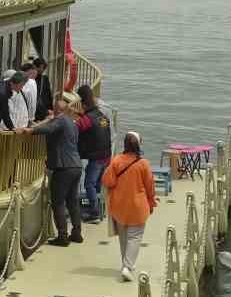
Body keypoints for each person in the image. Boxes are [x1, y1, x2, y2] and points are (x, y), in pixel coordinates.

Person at [23, 94, 83, 246]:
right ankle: (76, 233)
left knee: (58, 201)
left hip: (63, 167)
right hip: (76, 165)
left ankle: (62, 236)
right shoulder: (72, 122)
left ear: (57, 110)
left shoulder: (60, 120)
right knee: (72, 201)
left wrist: (30, 131)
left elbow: (49, 129)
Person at [102, 132, 158, 281]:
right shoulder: (143, 163)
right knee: (135, 237)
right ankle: (127, 266)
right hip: (138, 206)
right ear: (139, 145)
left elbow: (107, 181)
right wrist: (151, 203)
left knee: (124, 237)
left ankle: (126, 265)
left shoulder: (116, 161)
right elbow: (150, 187)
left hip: (119, 206)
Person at [77, 84, 113, 223]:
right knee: (97, 183)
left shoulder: (86, 119)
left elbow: (76, 128)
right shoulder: (101, 116)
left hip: (96, 157)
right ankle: (98, 208)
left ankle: (94, 213)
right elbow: (93, 123)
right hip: (106, 155)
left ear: (83, 103)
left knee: (88, 184)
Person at [32, 57, 54, 123]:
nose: (42, 70)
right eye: (41, 68)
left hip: (44, 111)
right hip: (37, 111)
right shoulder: (31, 80)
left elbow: (49, 95)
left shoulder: (45, 79)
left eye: (44, 68)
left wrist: (50, 109)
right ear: (35, 67)